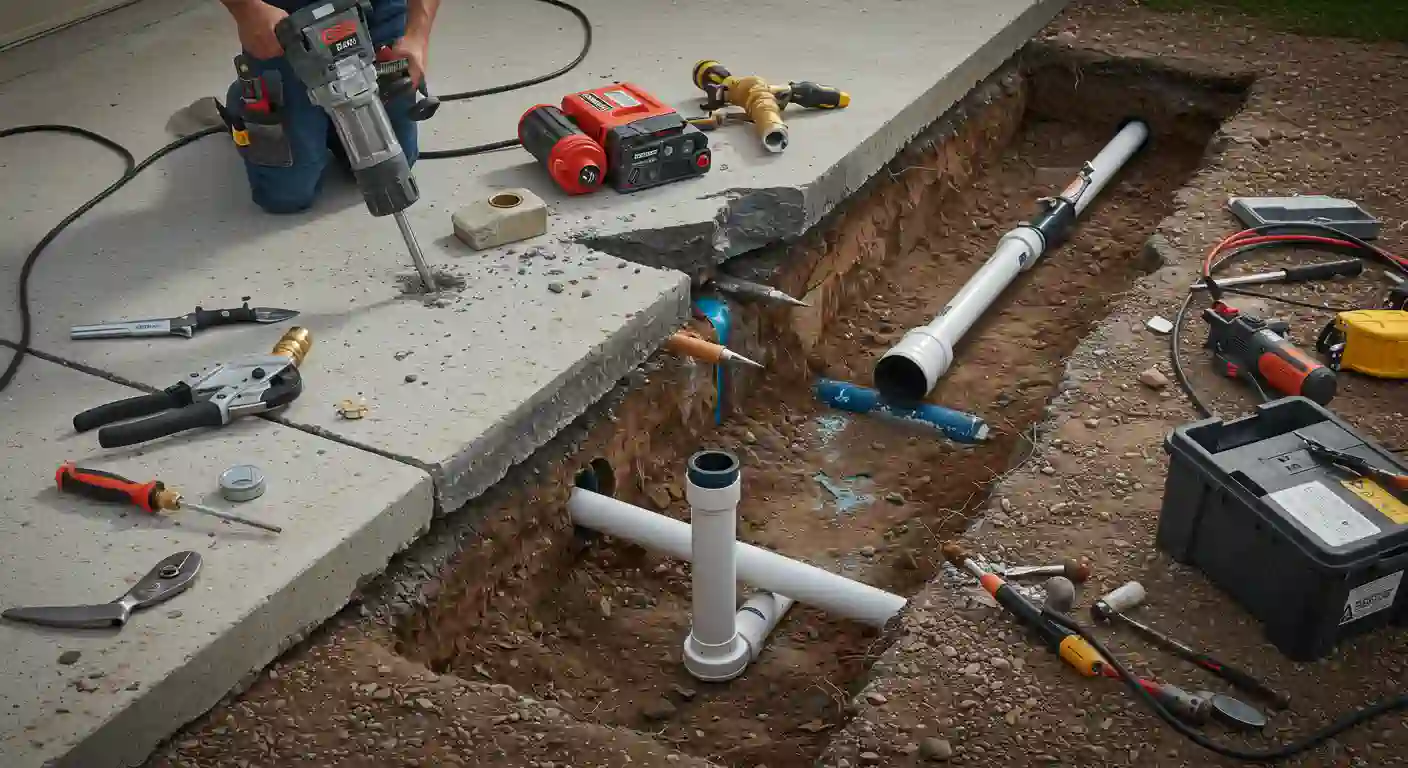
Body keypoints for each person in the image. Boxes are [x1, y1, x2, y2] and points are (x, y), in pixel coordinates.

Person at [219, 0, 440, 213]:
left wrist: (417, 36)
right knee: (286, 194)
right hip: (282, 19)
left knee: (393, 164)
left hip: (374, 9)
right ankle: (246, 100)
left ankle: (324, 120)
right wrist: (246, 8)